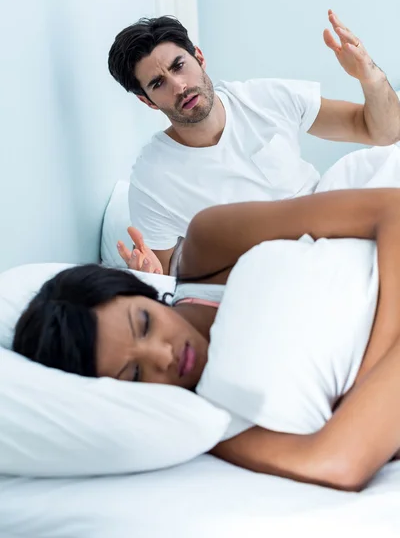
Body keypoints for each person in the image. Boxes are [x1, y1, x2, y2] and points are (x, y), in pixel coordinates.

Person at [13, 186, 400, 491]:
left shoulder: (208, 244)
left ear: (141, 292)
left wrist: (370, 378)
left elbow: (392, 208)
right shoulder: (211, 425)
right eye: (134, 374)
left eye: (145, 323)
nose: (163, 356)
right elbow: (337, 465)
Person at [108, 11, 400, 275]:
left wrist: (369, 76)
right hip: (267, 267)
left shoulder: (263, 98)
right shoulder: (152, 179)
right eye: (158, 83)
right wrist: (148, 276)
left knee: (387, 161)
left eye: (179, 66)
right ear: (147, 101)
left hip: (329, 220)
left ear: (199, 56)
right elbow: (167, 276)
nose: (178, 86)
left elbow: (382, 132)